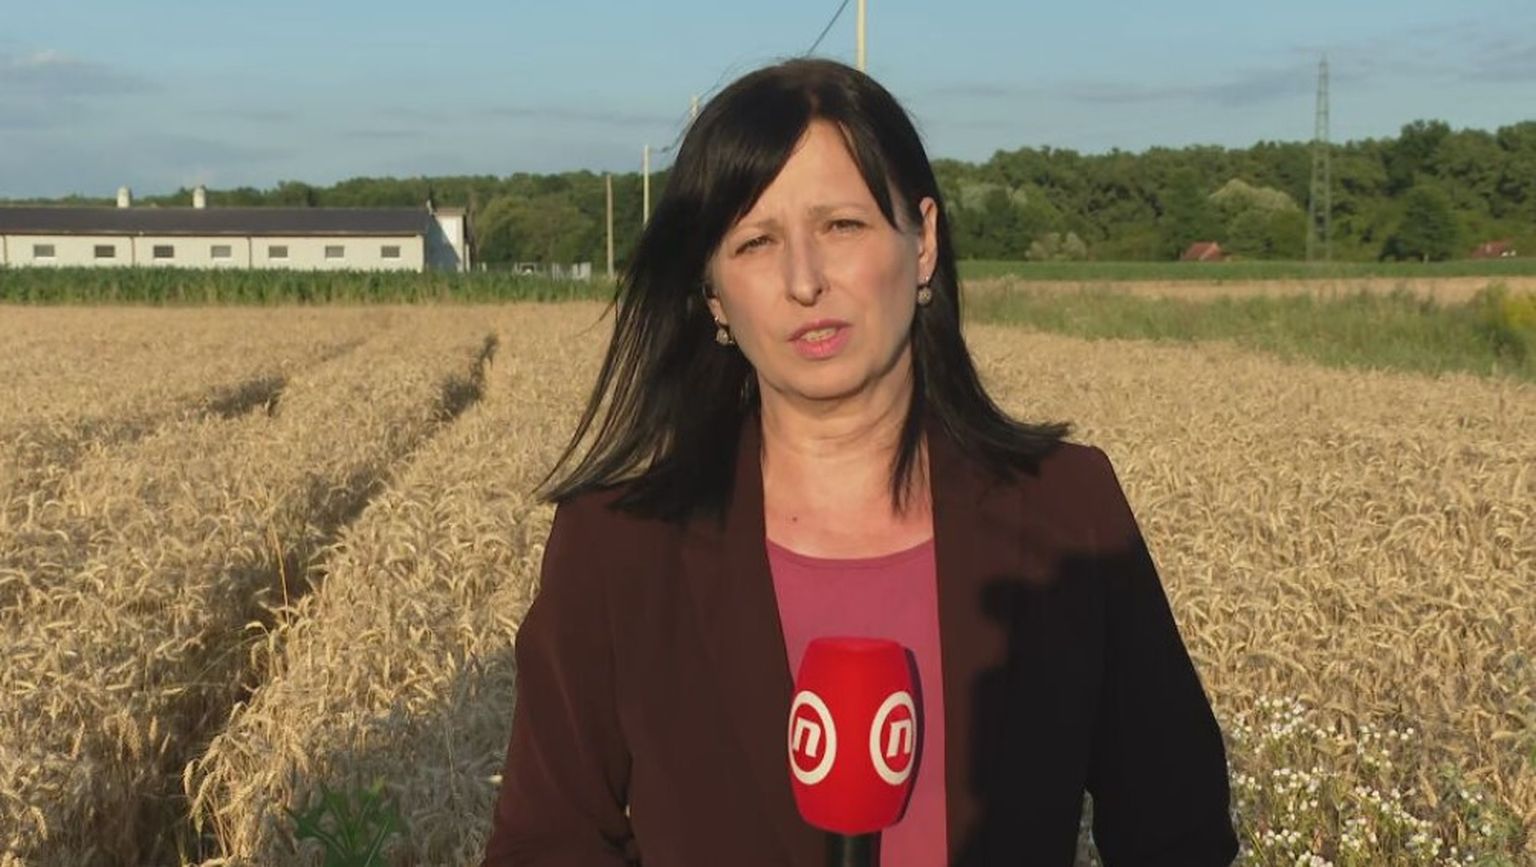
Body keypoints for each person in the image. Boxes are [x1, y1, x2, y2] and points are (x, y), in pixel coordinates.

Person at [482, 58, 1237, 866]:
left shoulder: (1067, 512)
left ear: (923, 241)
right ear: (713, 294)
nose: (804, 281)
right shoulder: (620, 546)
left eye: (841, 226)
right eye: (756, 242)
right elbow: (546, 845)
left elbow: (1179, 834)